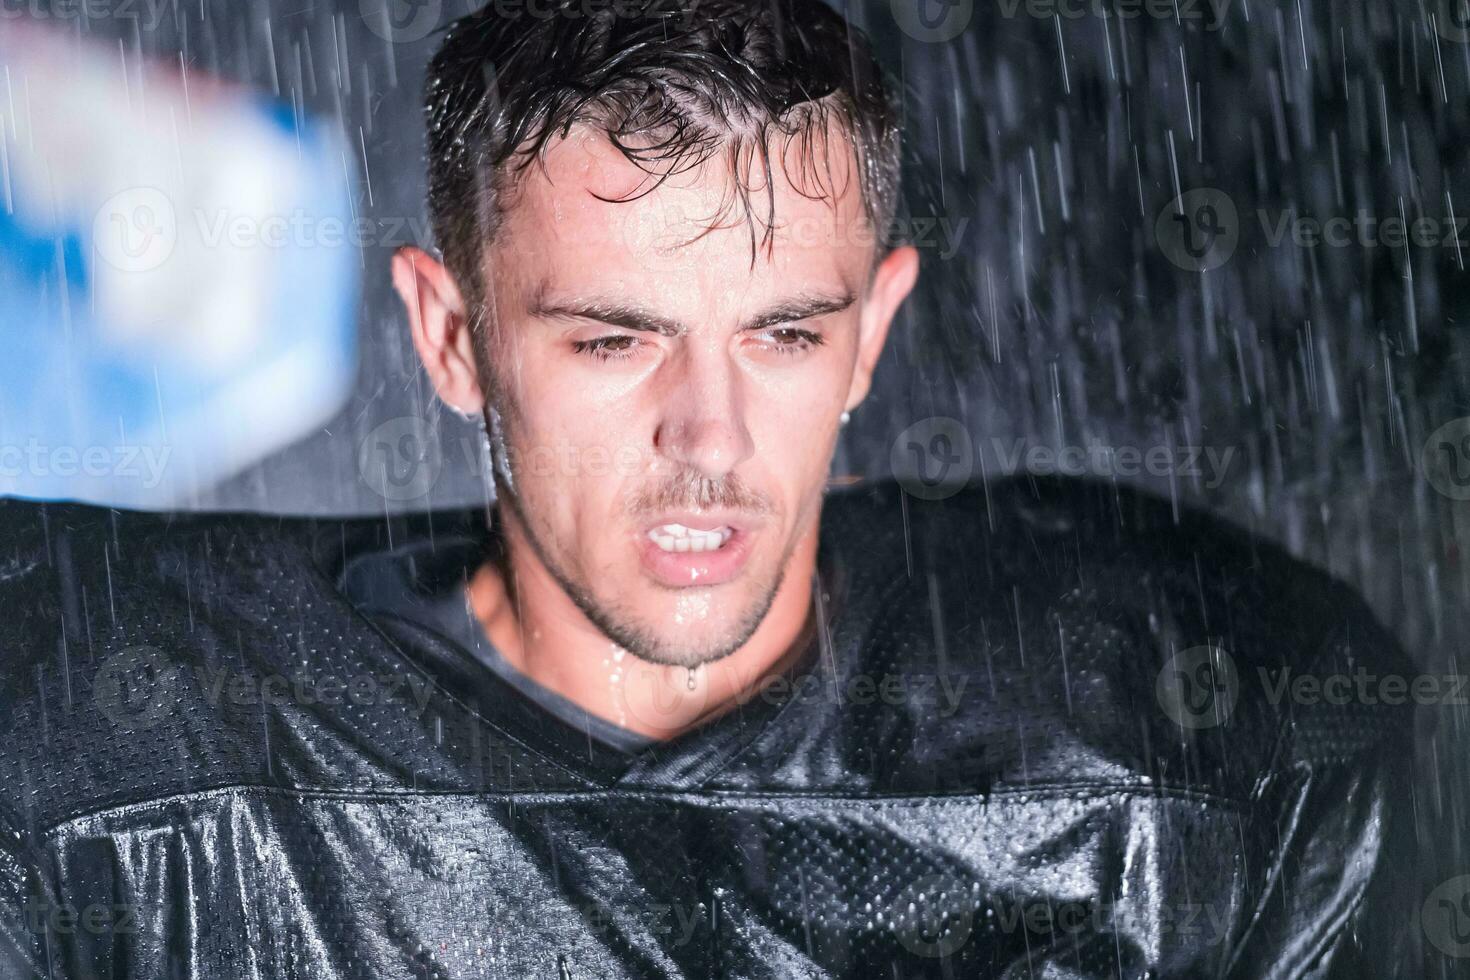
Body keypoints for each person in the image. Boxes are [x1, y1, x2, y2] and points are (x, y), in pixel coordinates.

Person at [0, 0, 1418, 976]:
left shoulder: (1191, 731)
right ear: (451, 338)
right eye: (613, 340)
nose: (710, 437)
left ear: (870, 332)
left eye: (783, 334)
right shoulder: (99, 753)